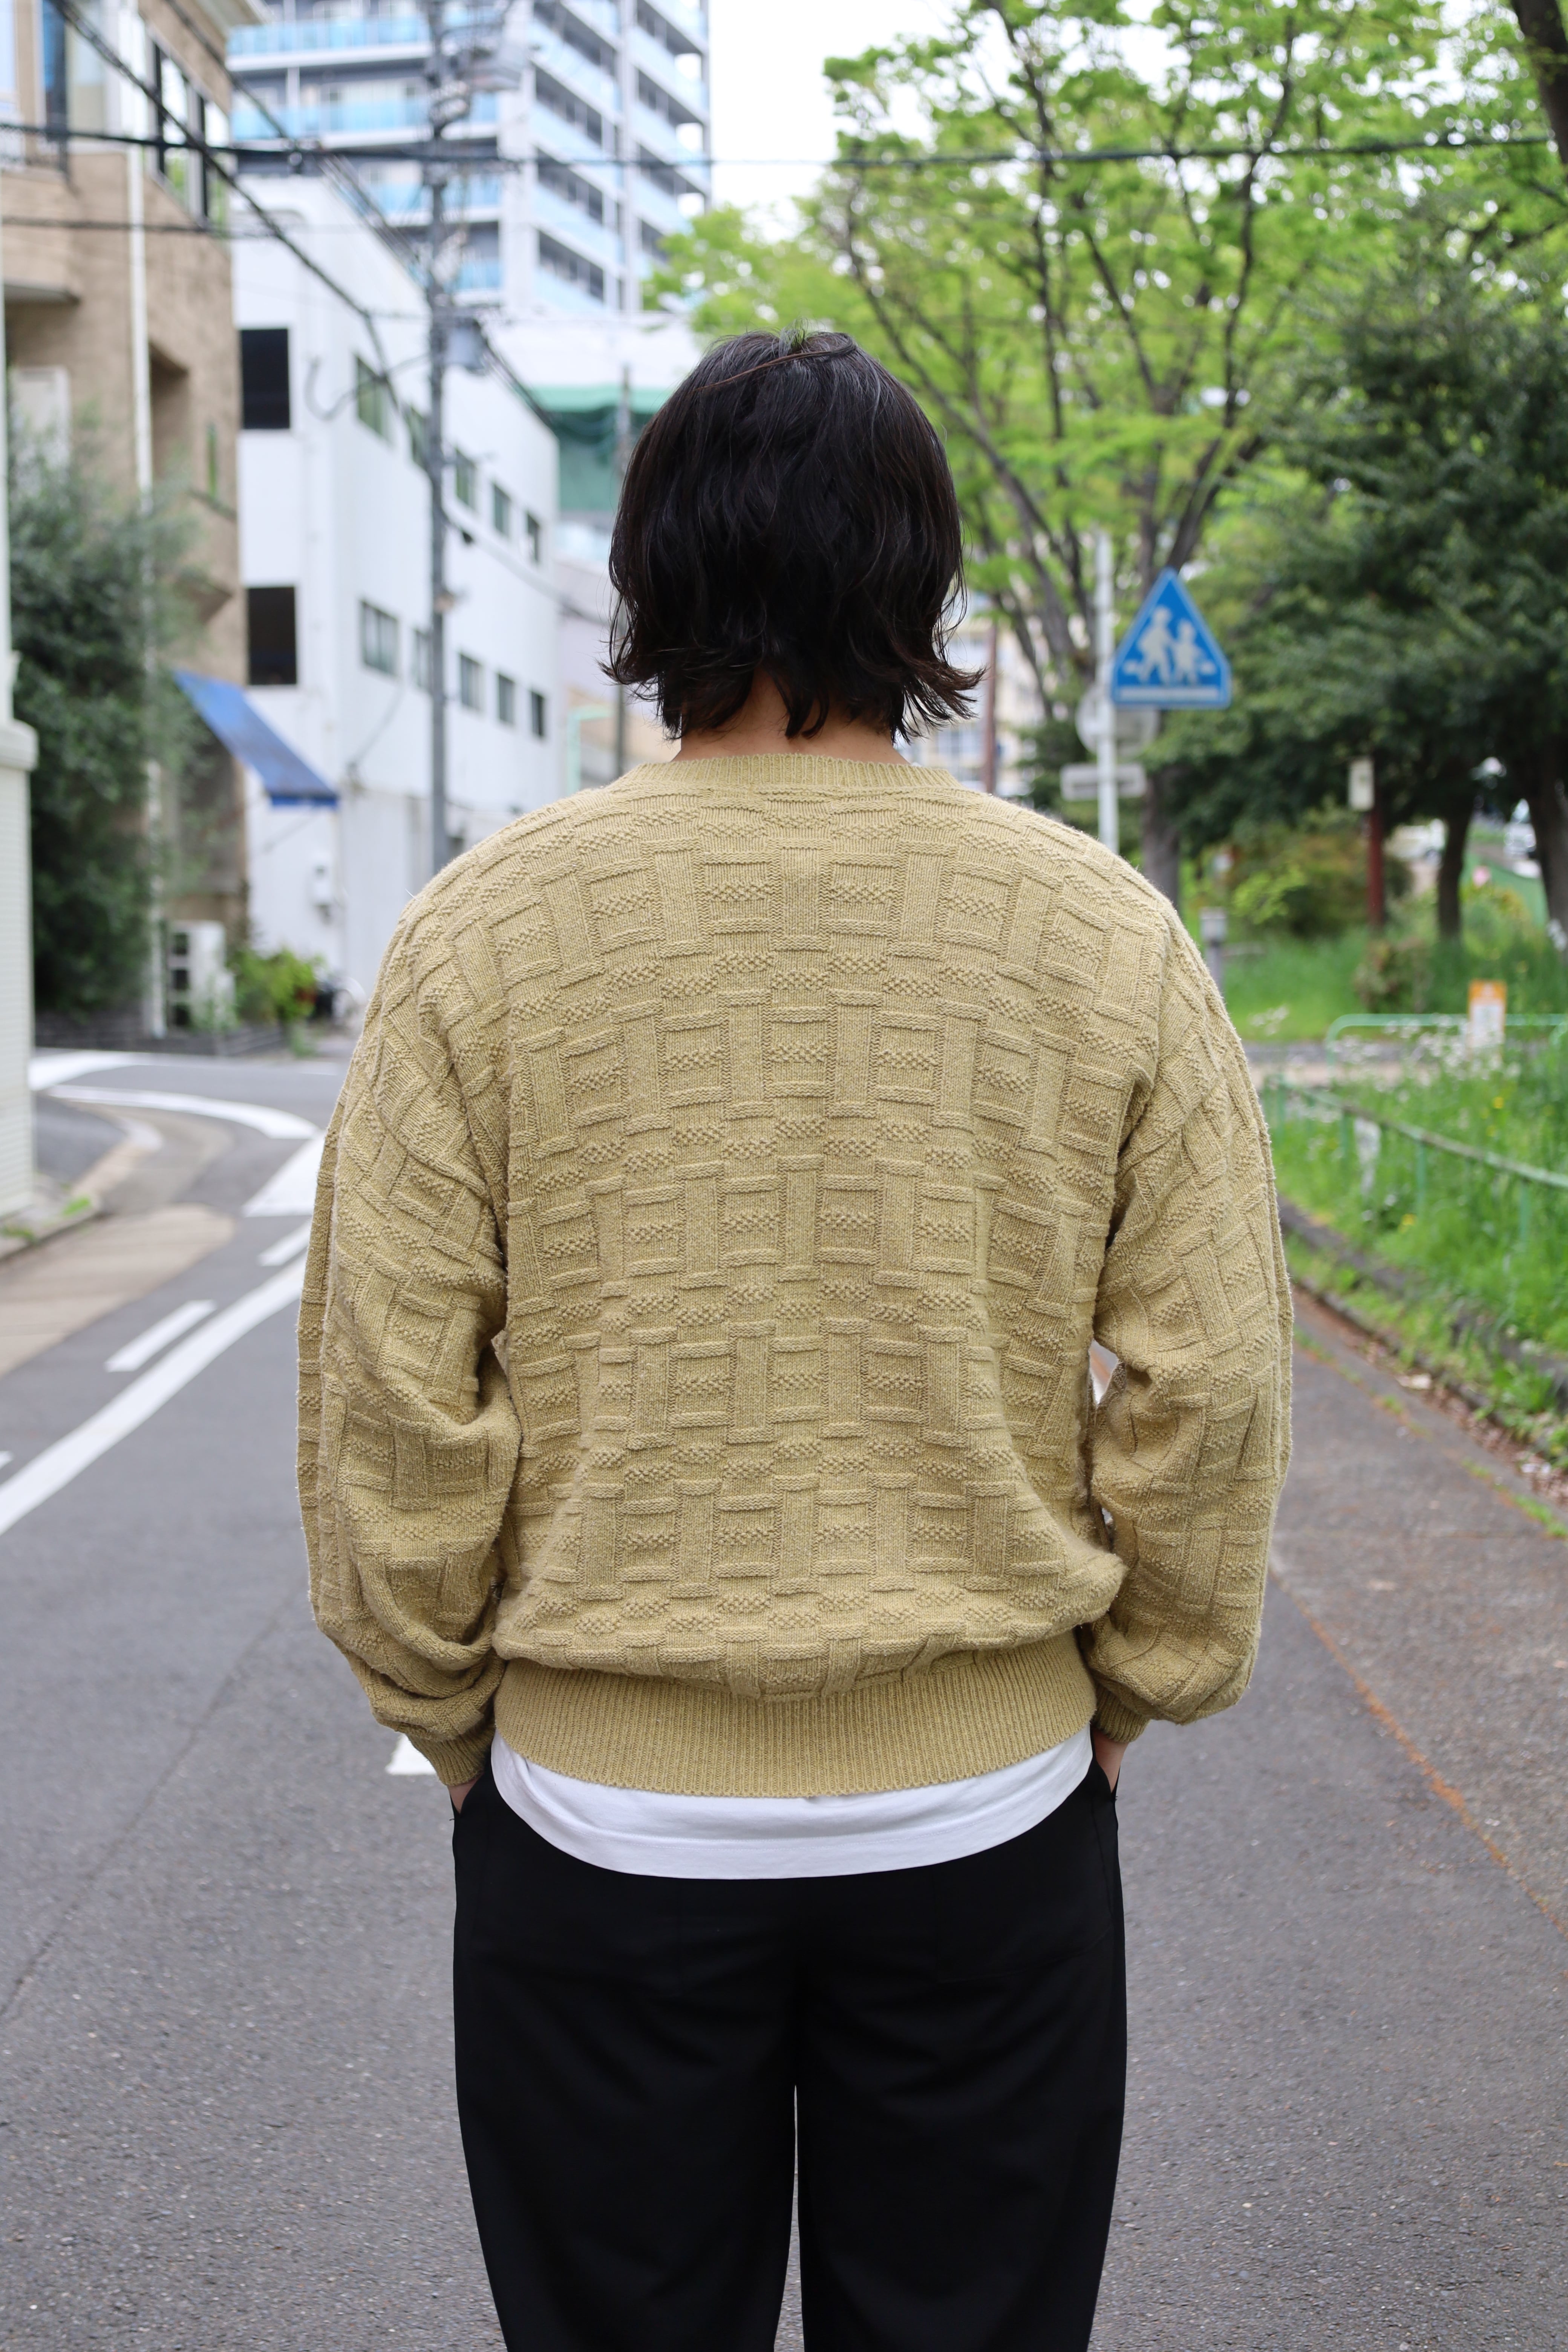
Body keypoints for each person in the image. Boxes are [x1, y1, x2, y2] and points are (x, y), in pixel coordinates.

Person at [299, 328, 1291, 2352]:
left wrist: (455, 1719)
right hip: (990, 1818)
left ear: (646, 584)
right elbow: (1213, 1383)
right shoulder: (1101, 932)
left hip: (597, 1831)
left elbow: (387, 1400)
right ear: (922, 588)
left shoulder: (482, 934)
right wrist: (1127, 1696)